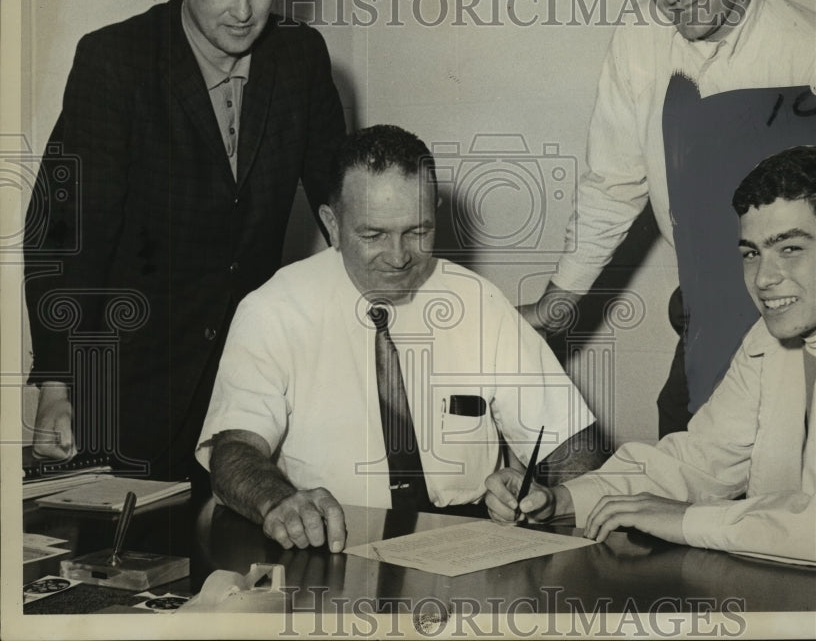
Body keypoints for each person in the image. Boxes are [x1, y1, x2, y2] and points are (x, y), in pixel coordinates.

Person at [489, 146, 816, 574]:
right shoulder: (774, 332)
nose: (764, 278)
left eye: (790, 249)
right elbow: (702, 459)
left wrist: (688, 519)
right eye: (751, 253)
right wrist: (558, 500)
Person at [519, 0, 816, 437]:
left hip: (812, 318)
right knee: (679, 458)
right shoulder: (639, 42)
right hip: (705, 312)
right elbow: (613, 184)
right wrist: (559, 302)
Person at [24, 0, 346, 480]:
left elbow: (342, 206)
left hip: (246, 383)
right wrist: (55, 379)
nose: (243, 12)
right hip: (125, 380)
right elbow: (64, 232)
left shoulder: (300, 58)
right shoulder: (115, 61)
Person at [195, 125, 602, 552]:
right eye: (373, 235)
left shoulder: (478, 302)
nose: (399, 256)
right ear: (332, 225)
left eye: (418, 231)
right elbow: (233, 451)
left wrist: (547, 500)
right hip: (332, 540)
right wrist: (279, 501)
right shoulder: (273, 310)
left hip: (464, 543)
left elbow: (575, 445)